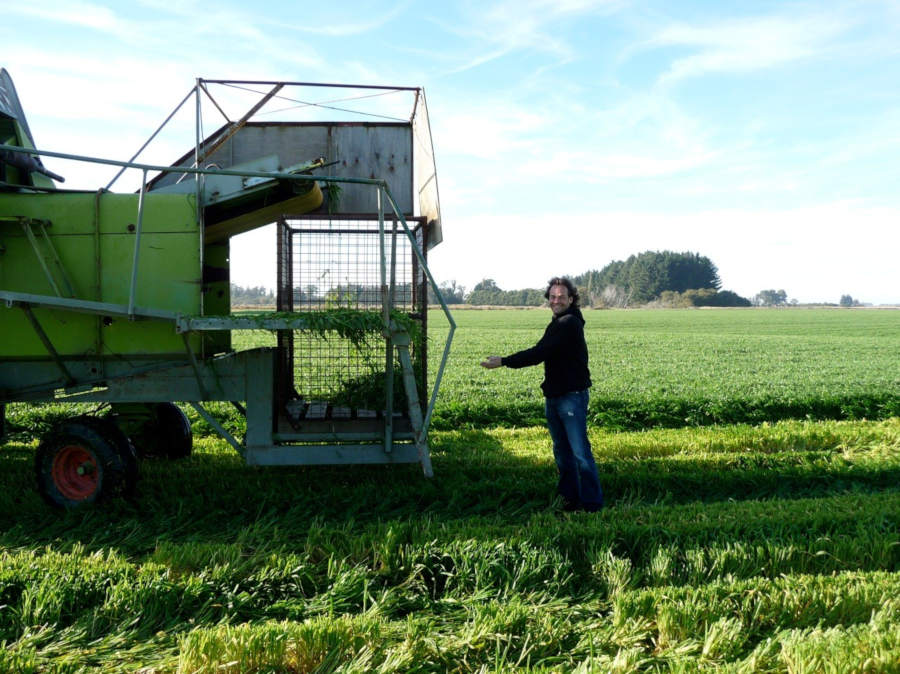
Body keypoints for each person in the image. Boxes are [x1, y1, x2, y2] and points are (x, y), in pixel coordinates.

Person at [481, 277, 604, 512]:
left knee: (579, 453)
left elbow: (540, 353)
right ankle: (570, 498)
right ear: (549, 298)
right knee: (562, 451)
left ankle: (591, 504)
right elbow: (543, 351)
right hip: (556, 395)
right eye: (553, 296)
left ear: (571, 299)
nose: (556, 300)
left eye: (561, 297)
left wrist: (504, 362)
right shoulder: (558, 322)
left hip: (571, 396)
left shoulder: (568, 323)